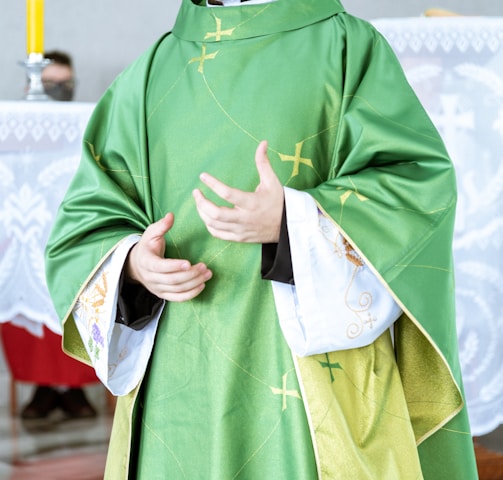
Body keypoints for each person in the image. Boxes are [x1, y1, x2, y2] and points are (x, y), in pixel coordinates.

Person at [45, 0, 478, 478]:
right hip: (179, 380)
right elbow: (89, 220)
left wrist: (292, 222)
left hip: (310, 375)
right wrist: (132, 265)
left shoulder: (346, 47)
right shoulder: (153, 70)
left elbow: (416, 187)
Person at [1, 49, 97, 422]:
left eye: (64, 84)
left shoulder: (87, 122)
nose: (59, 90)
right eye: (50, 83)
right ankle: (41, 389)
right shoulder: (15, 125)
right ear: (31, 84)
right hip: (25, 233)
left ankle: (75, 390)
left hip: (71, 233)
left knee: (81, 290)